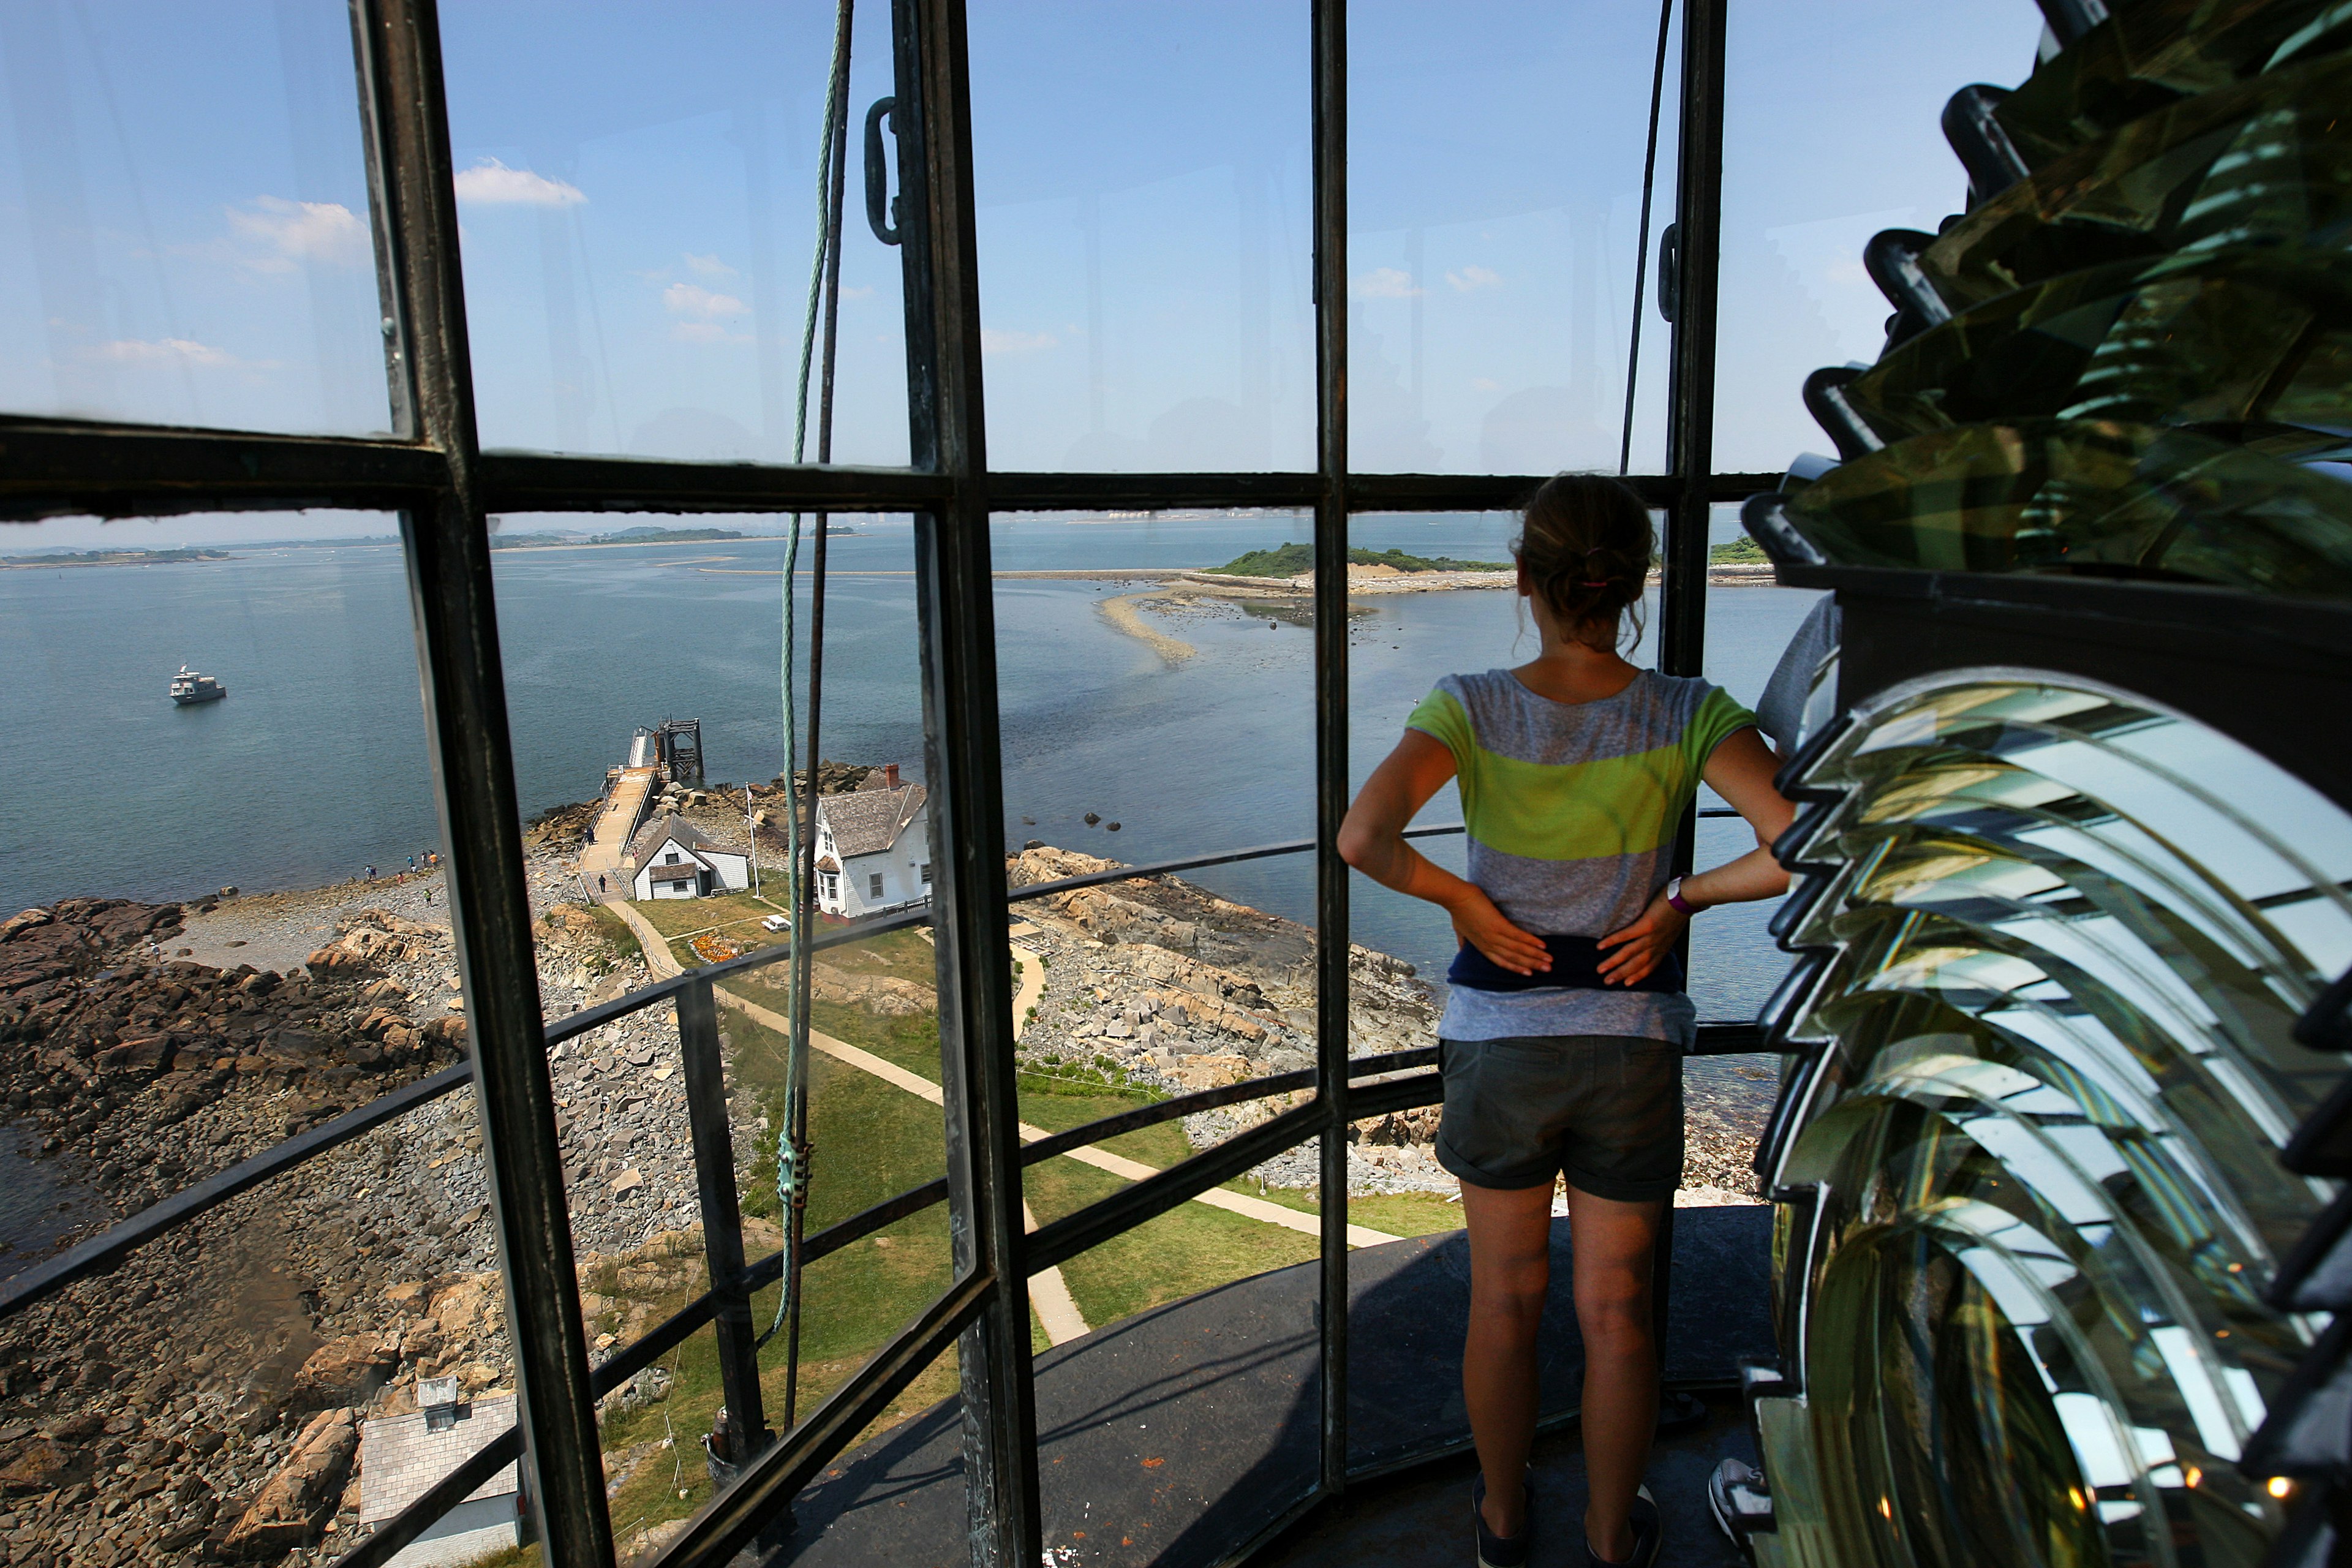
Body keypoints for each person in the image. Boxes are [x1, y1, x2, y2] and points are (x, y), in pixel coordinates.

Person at [1338, 473, 1794, 1568]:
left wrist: (1463, 900)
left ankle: (1501, 1523)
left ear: (1524, 583)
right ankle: (1609, 1532)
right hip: (1630, 1047)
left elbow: (1363, 838)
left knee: (1502, 1303)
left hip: (1500, 1045)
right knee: (1617, 1313)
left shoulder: (1472, 703)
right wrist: (1684, 899)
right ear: (1634, 585)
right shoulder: (1689, 710)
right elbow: (1799, 843)